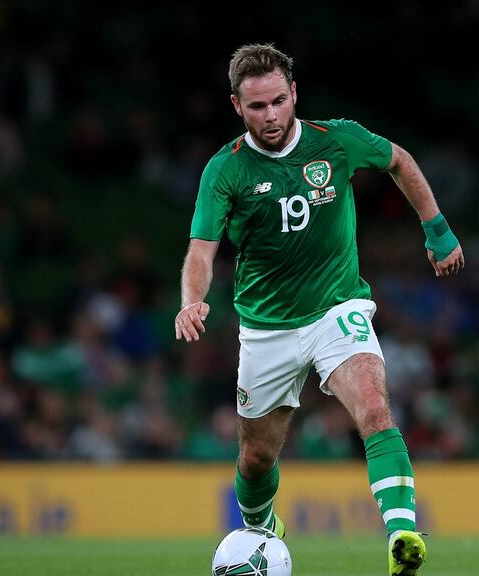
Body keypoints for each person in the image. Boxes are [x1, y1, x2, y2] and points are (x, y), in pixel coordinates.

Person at [174, 43, 463, 576]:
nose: (271, 116)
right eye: (257, 107)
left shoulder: (336, 141)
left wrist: (437, 228)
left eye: (279, 102)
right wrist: (192, 301)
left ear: (294, 95)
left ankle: (402, 536)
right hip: (266, 328)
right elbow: (201, 250)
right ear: (237, 106)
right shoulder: (226, 171)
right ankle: (261, 528)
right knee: (256, 457)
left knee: (375, 407)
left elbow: (399, 160)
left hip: (338, 308)